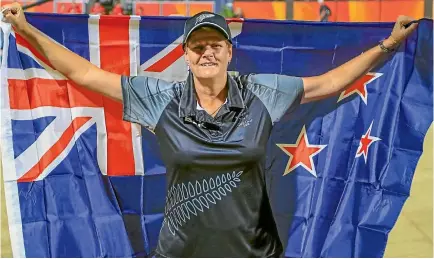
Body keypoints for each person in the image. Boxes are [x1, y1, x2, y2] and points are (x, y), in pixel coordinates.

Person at [1, 5, 418, 257]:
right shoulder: (160, 97)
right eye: (198, 46)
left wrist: (387, 46)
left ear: (229, 52)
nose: (207, 52)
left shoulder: (261, 92)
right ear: (185, 55)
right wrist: (28, 31)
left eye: (215, 44)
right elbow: (85, 74)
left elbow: (327, 83)